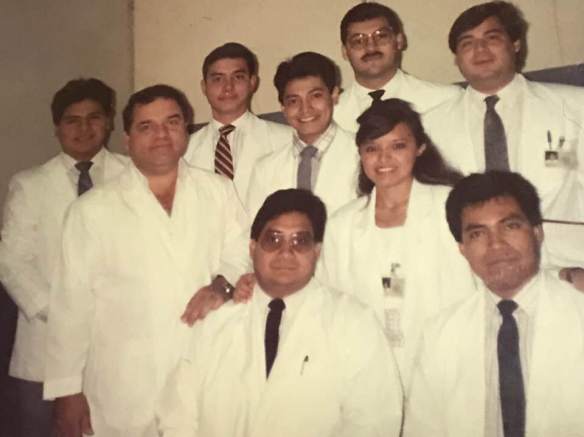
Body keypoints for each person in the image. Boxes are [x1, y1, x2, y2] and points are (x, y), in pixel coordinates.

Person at [43, 85, 249, 437]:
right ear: (126, 138)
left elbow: (242, 252)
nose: (161, 134)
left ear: (186, 130)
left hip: (200, 369)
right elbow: (70, 307)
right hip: (121, 384)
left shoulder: (217, 190)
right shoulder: (92, 210)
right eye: (146, 126)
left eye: (172, 122)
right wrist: (66, 392)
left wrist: (220, 285)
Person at [157, 189, 403, 437]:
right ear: (252, 249)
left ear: (316, 252)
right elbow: (179, 417)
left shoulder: (353, 324)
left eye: (300, 241)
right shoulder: (215, 324)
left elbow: (375, 422)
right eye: (273, 240)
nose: (286, 252)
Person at [404, 171, 584, 436]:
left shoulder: (578, 312)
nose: (496, 244)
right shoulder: (440, 336)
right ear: (462, 249)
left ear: (537, 233)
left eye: (510, 226)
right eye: (477, 234)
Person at [316, 98, 475, 390]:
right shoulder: (342, 224)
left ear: (420, 148)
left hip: (451, 368)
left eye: (397, 146)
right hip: (370, 373)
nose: (383, 159)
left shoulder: (452, 206)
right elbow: (332, 305)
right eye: (372, 149)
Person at [0, 78, 127, 437]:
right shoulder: (29, 184)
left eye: (94, 118)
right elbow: (11, 261)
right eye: (73, 120)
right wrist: (61, 314)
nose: (84, 128)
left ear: (109, 123)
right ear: (57, 128)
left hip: (114, 345)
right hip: (43, 348)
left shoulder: (131, 176)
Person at [423, 1, 584, 270]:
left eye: (492, 38)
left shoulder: (576, 107)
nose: (480, 50)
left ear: (516, 44)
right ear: (456, 58)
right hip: (469, 276)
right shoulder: (430, 126)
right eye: (467, 43)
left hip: (565, 268)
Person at [246, 51, 359, 220]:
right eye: (293, 101)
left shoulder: (362, 155)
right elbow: (256, 231)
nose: (305, 109)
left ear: (334, 95)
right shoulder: (265, 169)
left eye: (316, 96)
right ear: (283, 107)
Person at [184, 42, 292, 205]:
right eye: (218, 79)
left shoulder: (287, 140)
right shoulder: (184, 150)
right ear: (204, 87)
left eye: (238, 77)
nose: (228, 87)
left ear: (253, 83)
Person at [334, 2, 460, 133]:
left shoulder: (444, 101)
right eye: (358, 41)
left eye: (381, 36)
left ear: (399, 41)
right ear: (344, 51)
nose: (371, 47)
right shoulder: (331, 117)